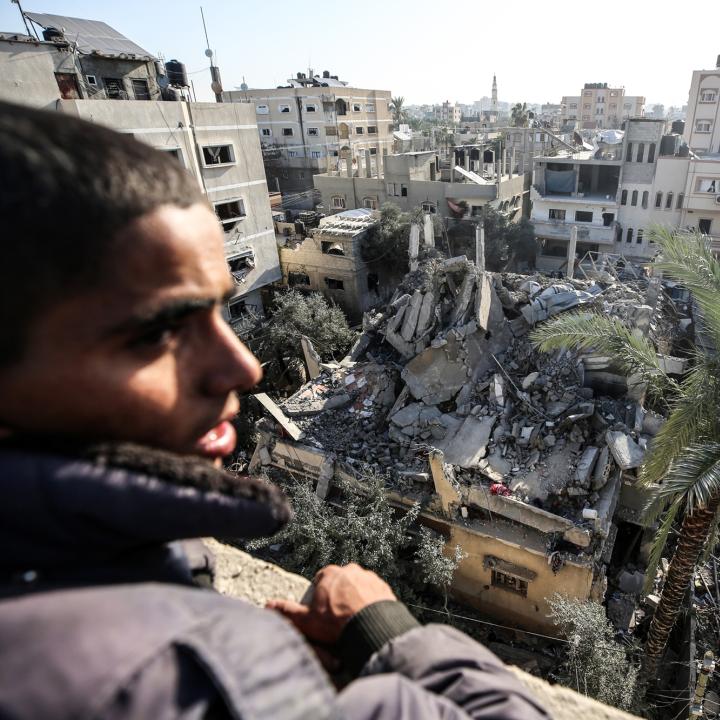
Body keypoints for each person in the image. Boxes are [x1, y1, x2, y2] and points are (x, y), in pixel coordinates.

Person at [0, 100, 548, 720]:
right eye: (155, 335)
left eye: (217, 311)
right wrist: (387, 633)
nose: (245, 367)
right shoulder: (194, 680)